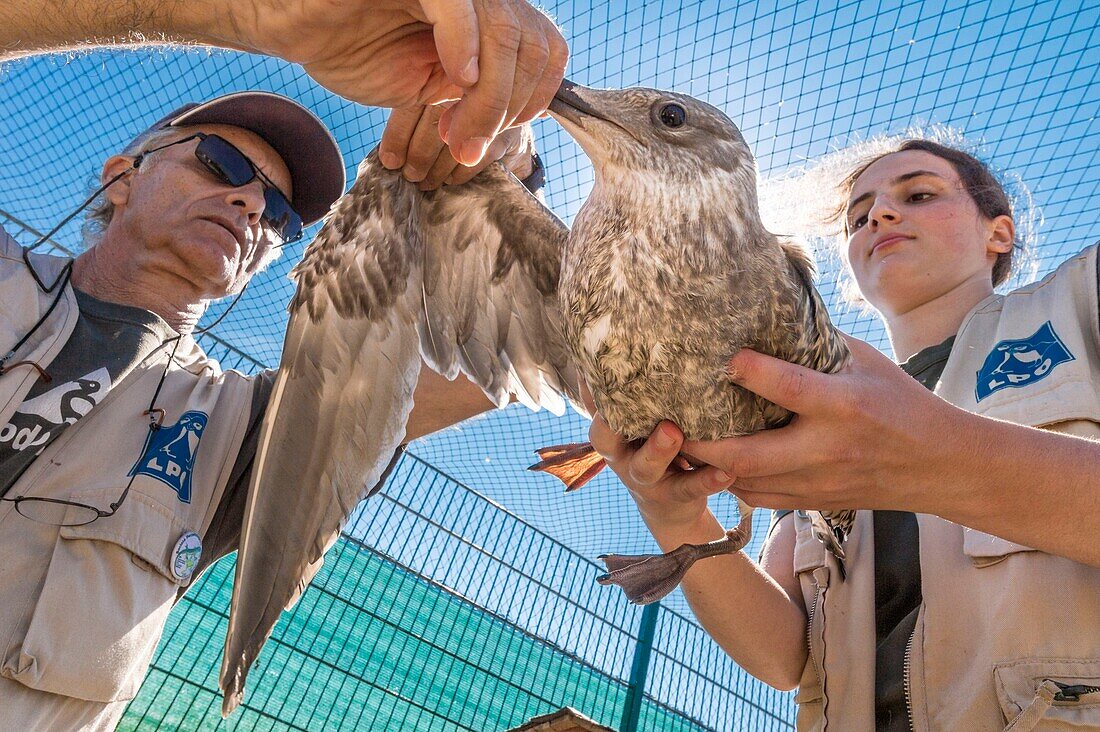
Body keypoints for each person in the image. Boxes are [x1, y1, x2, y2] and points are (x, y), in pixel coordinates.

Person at [0, 0, 564, 728]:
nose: (249, 201)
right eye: (222, 163)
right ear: (122, 178)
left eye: (280, 216)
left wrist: (499, 175)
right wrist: (252, 13)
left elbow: (477, 363)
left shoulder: (247, 428)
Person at [590, 138, 1100, 731]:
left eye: (919, 194)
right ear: (853, 279)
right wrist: (677, 518)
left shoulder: (1082, 300)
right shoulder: (810, 416)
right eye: (860, 217)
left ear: (999, 234)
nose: (880, 214)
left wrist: (941, 459)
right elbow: (784, 656)